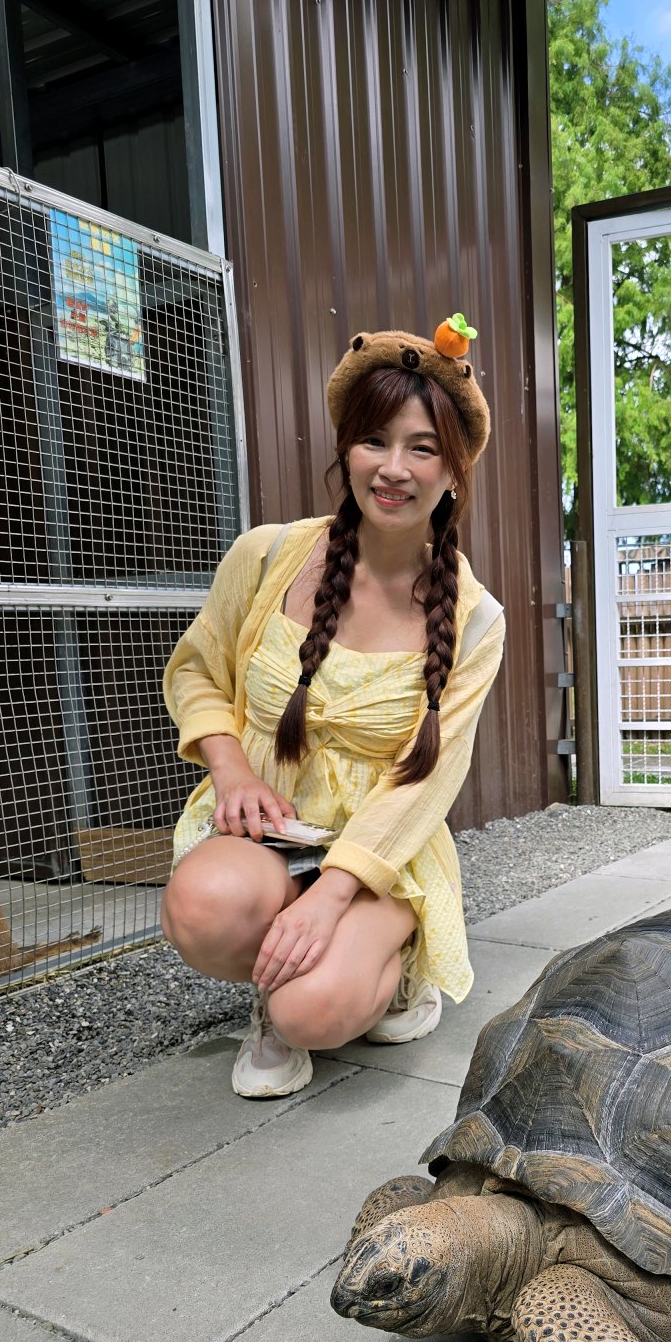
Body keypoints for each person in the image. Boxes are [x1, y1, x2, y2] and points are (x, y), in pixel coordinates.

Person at [160, 317, 504, 1099]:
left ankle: (384, 973)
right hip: (271, 827)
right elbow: (195, 673)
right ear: (344, 449)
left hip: (385, 855)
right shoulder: (266, 556)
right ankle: (285, 970)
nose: (393, 468)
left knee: (312, 1011)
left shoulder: (477, 619)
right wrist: (232, 766)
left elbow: (428, 784)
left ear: (454, 470)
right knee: (202, 909)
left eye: (422, 448)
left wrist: (336, 898)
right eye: (374, 441)